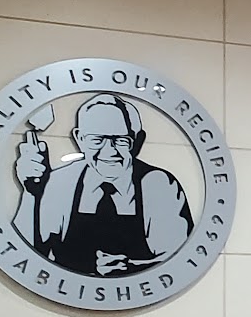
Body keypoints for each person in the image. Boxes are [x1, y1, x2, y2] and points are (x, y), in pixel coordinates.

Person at [14, 94, 193, 277]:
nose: (109, 151)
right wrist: (31, 195)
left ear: (138, 141)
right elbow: (27, 256)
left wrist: (130, 269)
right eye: (97, 140)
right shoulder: (60, 182)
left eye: (121, 141)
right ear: (79, 139)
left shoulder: (159, 185)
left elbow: (179, 261)